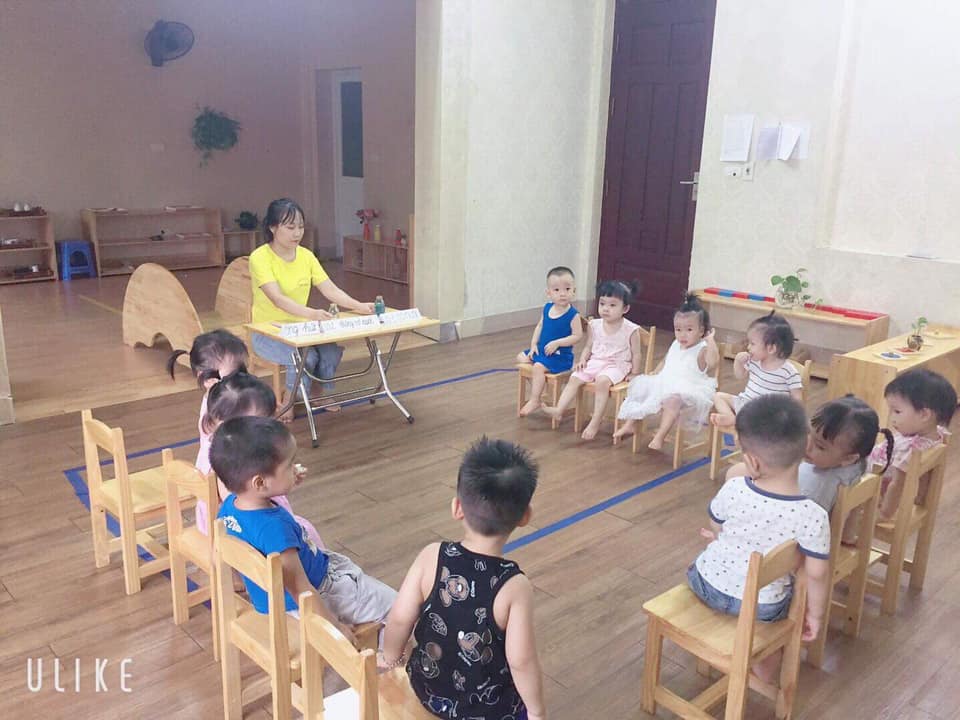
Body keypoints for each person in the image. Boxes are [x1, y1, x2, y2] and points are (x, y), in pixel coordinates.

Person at [379, 437, 546, 720]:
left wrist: (390, 659)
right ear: (525, 517)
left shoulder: (432, 556)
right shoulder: (515, 587)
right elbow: (521, 661)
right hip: (486, 711)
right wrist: (537, 711)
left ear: (457, 508)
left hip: (426, 690)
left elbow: (399, 619)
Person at [212, 416, 395, 638]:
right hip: (318, 593)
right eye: (289, 465)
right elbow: (301, 589)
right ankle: (388, 657)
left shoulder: (229, 507)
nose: (294, 467)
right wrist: (335, 629)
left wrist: (285, 481)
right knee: (398, 607)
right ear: (260, 483)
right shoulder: (275, 530)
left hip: (271, 600)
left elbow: (223, 554)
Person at [690, 394, 830, 681]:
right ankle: (764, 664)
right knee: (786, 594)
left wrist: (723, 541)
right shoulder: (813, 515)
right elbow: (816, 573)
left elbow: (716, 526)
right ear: (807, 445)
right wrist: (815, 615)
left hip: (706, 584)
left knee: (713, 551)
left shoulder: (734, 488)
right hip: (762, 607)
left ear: (752, 461)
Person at [249, 198, 377, 421]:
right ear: (272, 227)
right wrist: (312, 314)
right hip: (267, 332)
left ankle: (316, 394)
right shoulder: (259, 257)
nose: (297, 233)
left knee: (329, 351)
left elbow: (330, 289)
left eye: (300, 227)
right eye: (290, 227)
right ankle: (290, 400)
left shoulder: (306, 256)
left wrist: (359, 306)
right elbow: (277, 299)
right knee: (304, 357)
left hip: (303, 328)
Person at [197, 372, 324, 550]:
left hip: (243, 525)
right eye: (262, 422)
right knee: (305, 531)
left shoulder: (231, 446)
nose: (270, 427)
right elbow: (245, 507)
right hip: (241, 533)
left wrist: (284, 476)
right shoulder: (228, 463)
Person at [613, 293, 719, 450]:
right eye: (678, 329)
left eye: (689, 329)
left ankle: (660, 436)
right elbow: (665, 361)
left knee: (672, 401)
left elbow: (713, 362)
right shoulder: (676, 344)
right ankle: (630, 424)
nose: (682, 334)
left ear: (701, 330)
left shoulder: (702, 349)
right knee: (642, 388)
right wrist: (655, 373)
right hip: (665, 381)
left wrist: (710, 341)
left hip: (688, 388)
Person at [543, 280, 642, 440]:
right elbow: (589, 346)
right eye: (602, 304)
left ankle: (595, 421)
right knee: (575, 377)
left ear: (625, 309)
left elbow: (636, 354)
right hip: (596, 361)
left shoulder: (631, 329)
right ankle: (559, 409)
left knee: (602, 381)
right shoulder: (594, 325)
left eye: (612, 305)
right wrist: (582, 359)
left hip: (617, 365)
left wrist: (635, 373)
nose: (606, 309)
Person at [867, 369, 956, 520]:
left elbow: (897, 485)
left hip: (870, 483)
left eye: (897, 411)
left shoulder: (910, 452)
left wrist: (884, 514)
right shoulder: (937, 435)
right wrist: (920, 498)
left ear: (924, 415)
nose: (891, 417)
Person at [798, 395, 893, 513]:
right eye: (807, 433)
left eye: (820, 446)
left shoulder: (815, 487)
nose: (807, 445)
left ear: (849, 459)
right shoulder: (858, 465)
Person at [710, 312, 802, 428]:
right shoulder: (754, 361)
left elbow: (797, 398)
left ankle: (741, 422)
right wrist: (738, 362)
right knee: (717, 396)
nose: (748, 347)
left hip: (768, 413)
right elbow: (739, 375)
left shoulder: (789, 371)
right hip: (746, 403)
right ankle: (731, 417)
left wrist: (793, 418)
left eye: (753, 344)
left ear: (771, 348)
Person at [516, 266, 583, 417]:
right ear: (549, 293)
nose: (562, 294)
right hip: (543, 351)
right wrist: (533, 344)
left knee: (538, 367)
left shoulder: (573, 315)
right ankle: (539, 388)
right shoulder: (547, 308)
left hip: (559, 356)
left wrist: (558, 342)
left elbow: (577, 336)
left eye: (567, 289)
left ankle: (535, 399)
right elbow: (540, 326)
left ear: (574, 291)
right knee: (521, 357)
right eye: (557, 290)